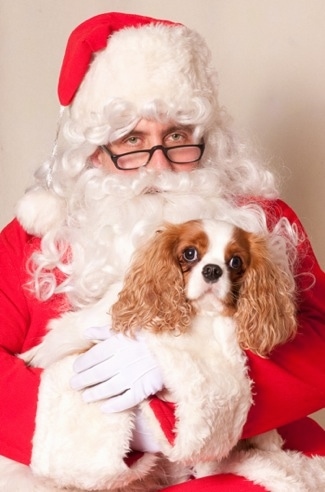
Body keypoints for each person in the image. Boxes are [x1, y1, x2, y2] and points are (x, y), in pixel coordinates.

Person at [0, 11, 325, 491]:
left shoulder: (263, 220)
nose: (160, 166)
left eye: (176, 137)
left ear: (204, 140)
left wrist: (188, 384)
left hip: (236, 461)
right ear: (93, 152)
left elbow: (317, 343)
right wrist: (118, 428)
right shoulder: (29, 237)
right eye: (132, 141)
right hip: (68, 470)